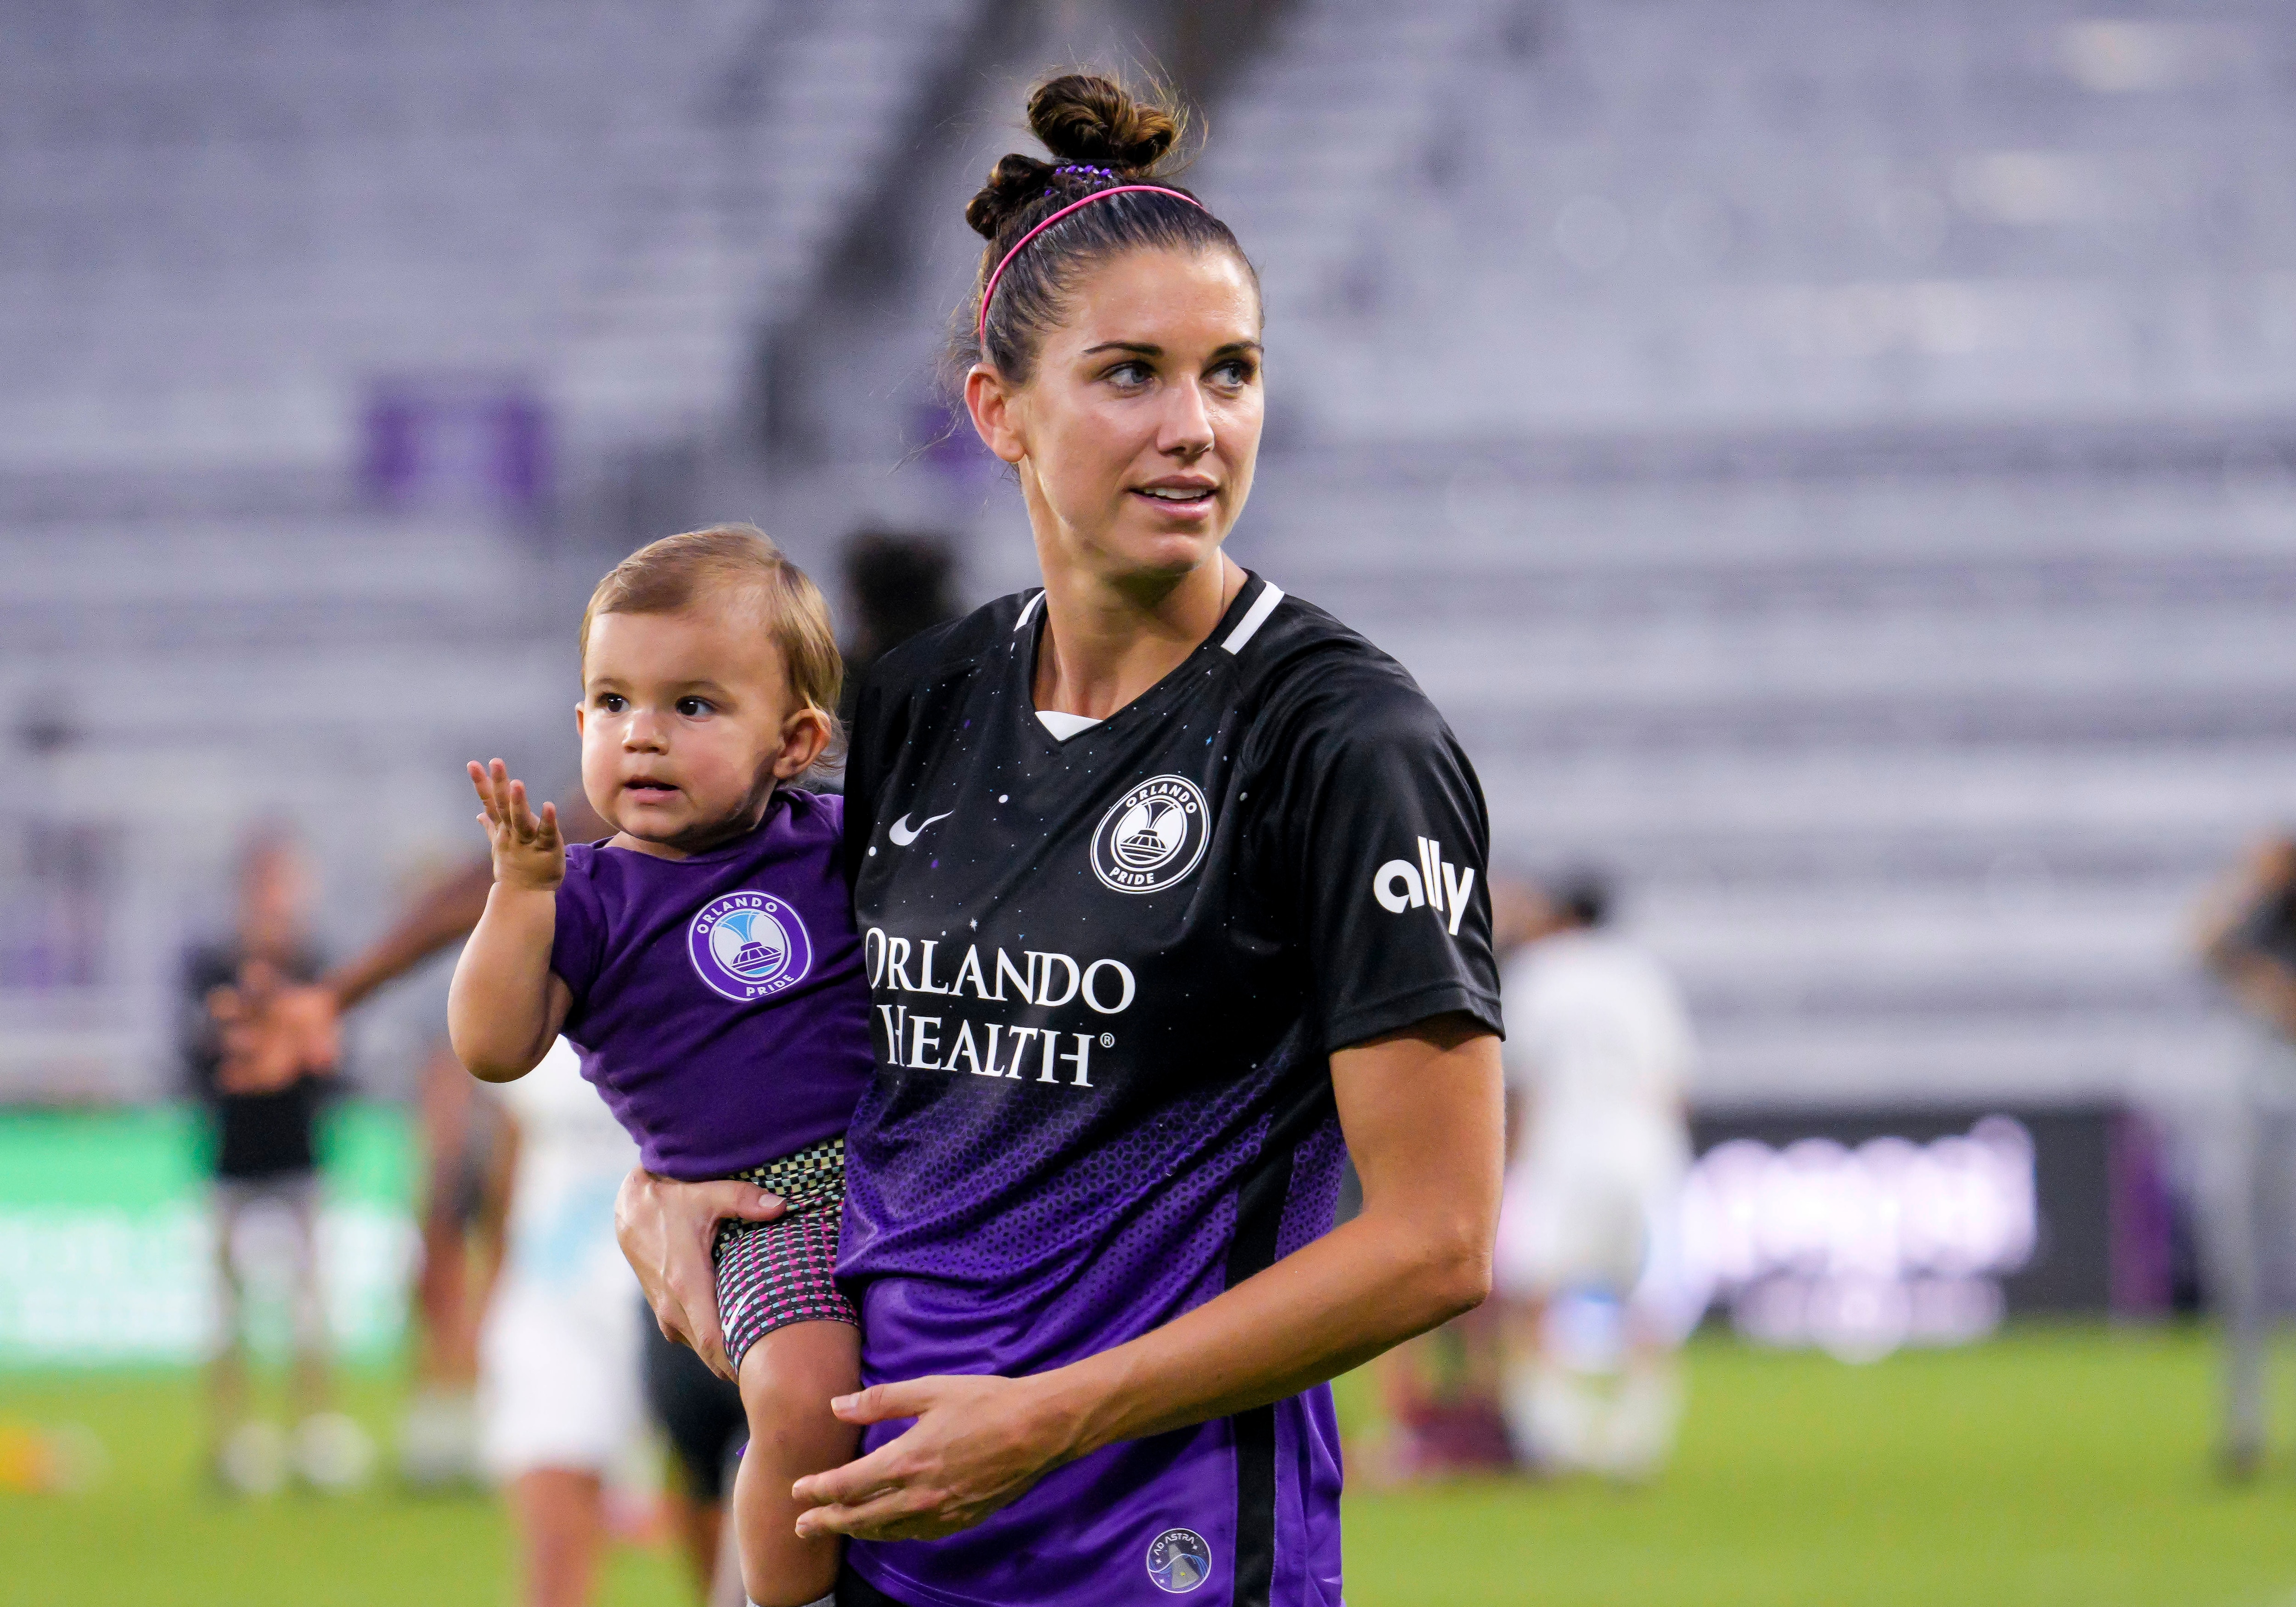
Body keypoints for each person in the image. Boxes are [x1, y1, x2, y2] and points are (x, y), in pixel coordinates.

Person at [614, 72, 1506, 1607]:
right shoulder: (914, 707)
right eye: (1130, 376)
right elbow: (779, 1026)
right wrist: (668, 1178)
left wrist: (1047, 1420)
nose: (1195, 428)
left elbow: (1437, 1241)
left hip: (1158, 1553)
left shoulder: (1342, 744)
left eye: (1231, 374)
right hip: (883, 1536)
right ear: (998, 413)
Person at [449, 525, 877, 1607]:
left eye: (691, 706)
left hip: (910, 1175)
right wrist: (518, 893)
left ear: (794, 740)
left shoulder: (838, 839)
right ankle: (786, 1595)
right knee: (803, 1393)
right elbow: (493, 1047)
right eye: (611, 702)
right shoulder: (584, 897)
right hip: (761, 1210)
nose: (641, 735)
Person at [182, 825, 371, 1495]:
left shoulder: (315, 966)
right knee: (227, 1312)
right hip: (231, 1159)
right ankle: (231, 1442)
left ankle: (312, 1434)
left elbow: (336, 1062)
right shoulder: (209, 967)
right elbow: (192, 1058)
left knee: (310, 1309)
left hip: (301, 1156)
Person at [1491, 871, 1695, 1482]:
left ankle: (1548, 1435)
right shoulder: (1644, 976)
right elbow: (1673, 1085)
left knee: (1534, 1297)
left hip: (1563, 1153)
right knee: (1646, 1301)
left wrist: (1507, 1168)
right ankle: (1638, 1441)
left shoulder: (1540, 973)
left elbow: (1520, 1085)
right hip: (1643, 1154)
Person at [479, 1037, 649, 1606]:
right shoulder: (536, 1013)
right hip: (553, 1301)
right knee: (555, 1541)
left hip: (684, 1314)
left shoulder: (711, 993)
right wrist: (495, 1286)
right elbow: (510, 1156)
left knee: (731, 1554)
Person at [2196, 833, 2296, 1479]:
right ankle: (2244, 1426)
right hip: (2262, 1103)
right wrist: (2247, 881)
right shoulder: (2265, 916)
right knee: (2243, 1270)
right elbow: (2201, 943)